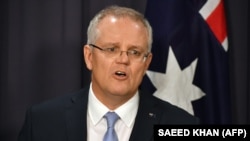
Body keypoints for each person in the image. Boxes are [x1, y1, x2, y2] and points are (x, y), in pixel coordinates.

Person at [18, 5, 199, 141]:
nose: (123, 59)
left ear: (146, 64)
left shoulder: (182, 126)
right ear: (89, 57)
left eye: (134, 52)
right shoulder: (42, 121)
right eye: (111, 49)